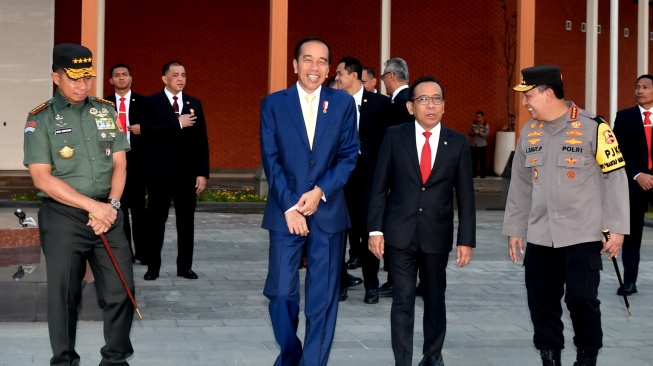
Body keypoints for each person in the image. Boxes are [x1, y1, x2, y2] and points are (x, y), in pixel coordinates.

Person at [503, 65, 629, 366]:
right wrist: (515, 228)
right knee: (542, 302)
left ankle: (586, 357)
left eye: (529, 95)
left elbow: (615, 178)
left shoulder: (594, 127)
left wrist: (616, 229)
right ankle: (550, 358)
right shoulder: (529, 132)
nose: (525, 103)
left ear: (548, 94)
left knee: (581, 298)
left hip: (583, 234)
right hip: (541, 235)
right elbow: (520, 184)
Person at [23, 43, 134, 366]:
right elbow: (42, 178)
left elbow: (120, 164)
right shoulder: (40, 118)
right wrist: (92, 207)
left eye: (87, 78)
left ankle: (114, 359)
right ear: (56, 77)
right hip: (63, 217)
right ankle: (65, 360)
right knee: (64, 296)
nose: (82, 85)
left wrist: (110, 205)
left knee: (121, 289)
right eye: (74, 79)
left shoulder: (105, 110)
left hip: (108, 213)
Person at [260, 37, 359, 366]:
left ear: (329, 69)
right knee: (280, 292)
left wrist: (319, 192)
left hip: (327, 211)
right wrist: (291, 207)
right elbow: (270, 160)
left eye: (321, 62)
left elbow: (347, 157)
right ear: (295, 65)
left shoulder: (343, 104)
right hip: (284, 212)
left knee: (323, 297)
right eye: (307, 60)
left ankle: (312, 362)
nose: (314, 67)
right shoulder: (274, 104)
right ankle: (290, 356)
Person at [368, 76, 476, 366]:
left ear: (444, 105)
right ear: (410, 107)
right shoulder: (394, 136)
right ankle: (402, 360)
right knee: (402, 300)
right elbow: (379, 185)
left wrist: (466, 240)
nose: (431, 105)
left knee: (434, 298)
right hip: (399, 233)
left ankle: (432, 355)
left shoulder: (458, 142)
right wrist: (375, 229)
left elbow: (466, 196)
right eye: (423, 99)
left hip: (436, 235)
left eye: (436, 99)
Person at [141, 61, 209, 281]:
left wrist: (202, 173)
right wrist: (177, 123)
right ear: (164, 79)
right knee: (155, 222)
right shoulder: (151, 103)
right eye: (176, 75)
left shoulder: (194, 103)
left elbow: (202, 141)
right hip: (159, 174)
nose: (181, 79)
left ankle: (184, 267)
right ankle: (153, 266)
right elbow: (147, 133)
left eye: (184, 75)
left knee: (186, 222)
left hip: (186, 175)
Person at [335, 56, 393, 304]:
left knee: (372, 229)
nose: (336, 77)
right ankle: (340, 284)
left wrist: (390, 179)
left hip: (371, 178)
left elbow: (390, 144)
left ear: (354, 76)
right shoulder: (332, 103)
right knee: (338, 232)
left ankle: (371, 285)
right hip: (340, 178)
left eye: (339, 73)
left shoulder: (380, 104)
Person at [611, 74, 653, 296]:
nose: (640, 91)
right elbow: (619, 150)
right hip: (634, 182)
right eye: (637, 87)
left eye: (645, 87)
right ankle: (629, 282)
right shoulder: (625, 117)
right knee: (632, 234)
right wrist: (638, 174)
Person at [105, 63, 148, 265]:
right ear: (111, 80)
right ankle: (125, 253)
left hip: (138, 162)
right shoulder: (103, 104)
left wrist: (144, 129)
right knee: (118, 208)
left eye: (125, 75)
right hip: (113, 163)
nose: (121, 78)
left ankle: (143, 252)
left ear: (131, 78)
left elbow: (156, 130)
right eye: (117, 75)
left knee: (140, 209)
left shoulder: (145, 103)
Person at [381, 57, 413, 126]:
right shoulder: (413, 96)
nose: (383, 81)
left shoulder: (400, 102)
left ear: (391, 76)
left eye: (383, 77)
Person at [469, 110, 489, 178]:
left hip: (482, 145)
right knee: (473, 160)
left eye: (479, 117)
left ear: (483, 117)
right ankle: (473, 174)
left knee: (482, 161)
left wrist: (479, 132)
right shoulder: (474, 123)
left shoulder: (485, 124)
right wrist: (473, 132)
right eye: (477, 117)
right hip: (474, 144)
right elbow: (469, 132)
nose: (478, 119)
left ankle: (483, 175)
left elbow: (486, 134)